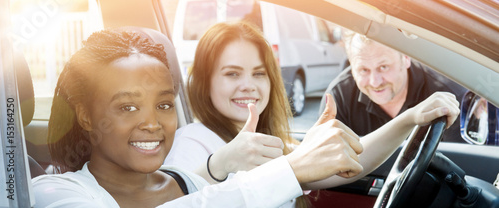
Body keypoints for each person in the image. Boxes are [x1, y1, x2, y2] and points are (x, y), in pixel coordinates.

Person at [32, 28, 366, 208]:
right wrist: (291, 169)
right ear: (87, 117)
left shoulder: (188, 183)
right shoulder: (50, 192)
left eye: (163, 105)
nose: (152, 124)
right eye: (128, 107)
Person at [164, 21, 461, 204]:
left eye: (258, 73)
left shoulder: (268, 142)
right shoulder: (193, 142)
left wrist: (410, 118)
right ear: (204, 82)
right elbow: (170, 201)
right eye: (231, 74)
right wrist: (221, 163)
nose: (248, 86)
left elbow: (354, 160)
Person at [319, 31, 467, 143]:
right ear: (351, 66)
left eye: (384, 67)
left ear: (406, 58)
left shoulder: (449, 94)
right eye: (363, 70)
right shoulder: (338, 98)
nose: (375, 82)